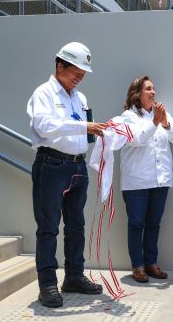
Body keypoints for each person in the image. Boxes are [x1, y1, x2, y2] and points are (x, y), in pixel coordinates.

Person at [27, 42, 106, 308]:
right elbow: (45, 126)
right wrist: (85, 126)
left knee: (76, 226)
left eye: (83, 74)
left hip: (77, 167)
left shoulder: (79, 97)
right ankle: (47, 284)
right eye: (76, 72)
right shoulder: (44, 93)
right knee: (48, 228)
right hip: (52, 165)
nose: (79, 78)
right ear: (60, 65)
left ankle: (74, 276)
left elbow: (82, 131)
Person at [120, 75, 173, 283]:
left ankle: (151, 263)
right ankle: (137, 266)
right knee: (137, 224)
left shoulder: (163, 114)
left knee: (154, 223)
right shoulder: (127, 117)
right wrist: (155, 122)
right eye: (148, 89)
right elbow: (137, 139)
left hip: (161, 179)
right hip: (137, 182)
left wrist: (165, 122)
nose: (153, 92)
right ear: (137, 94)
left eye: (154, 88)